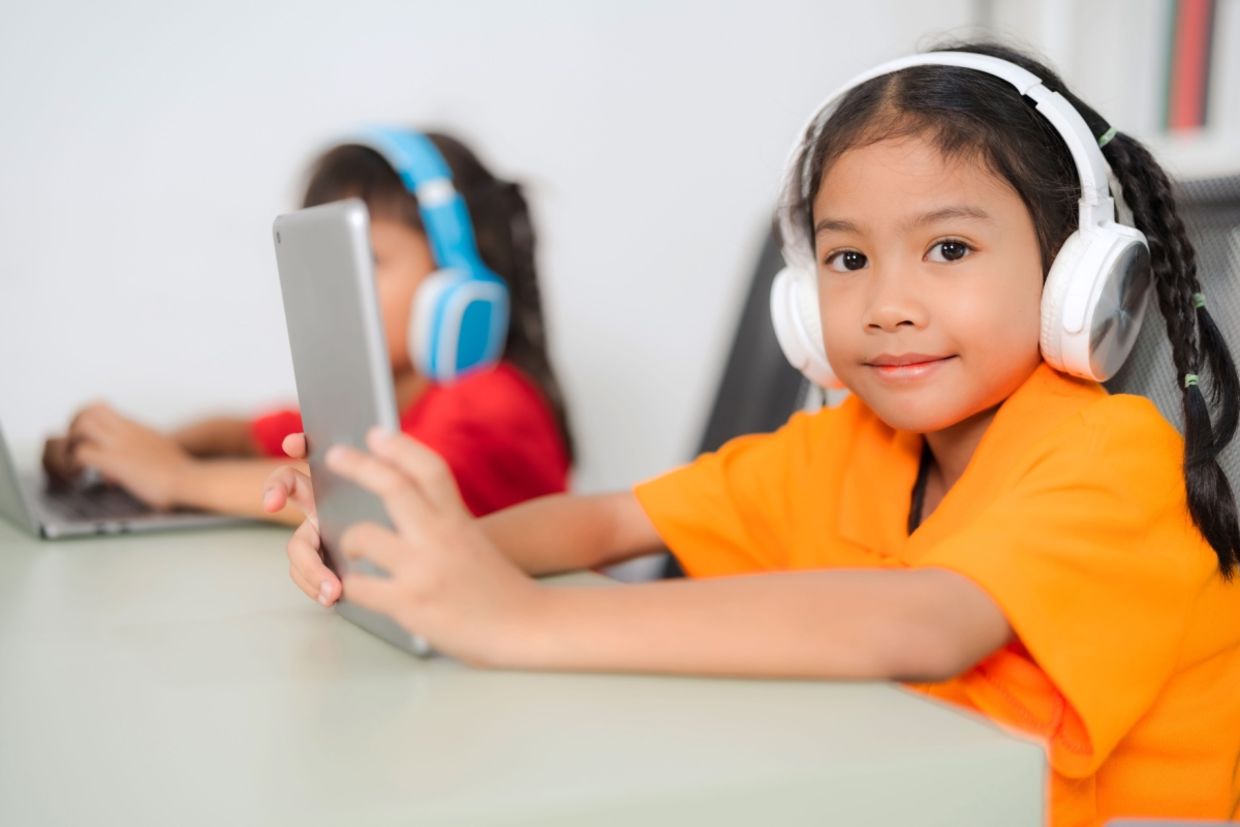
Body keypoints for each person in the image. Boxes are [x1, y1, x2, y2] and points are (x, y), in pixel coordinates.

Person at [276, 44, 1240, 825]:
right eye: (848, 257)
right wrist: (417, 552)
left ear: (1079, 275)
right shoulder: (840, 449)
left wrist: (522, 620)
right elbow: (607, 522)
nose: (888, 303)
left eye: (949, 249)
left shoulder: (1112, 459)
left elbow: (929, 622)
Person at [42, 129, 573, 523]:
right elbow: (248, 434)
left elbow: (384, 502)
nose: (333, 287)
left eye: (368, 260)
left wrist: (179, 477)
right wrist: (133, 454)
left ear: (457, 284)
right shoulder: (374, 402)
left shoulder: (494, 402)